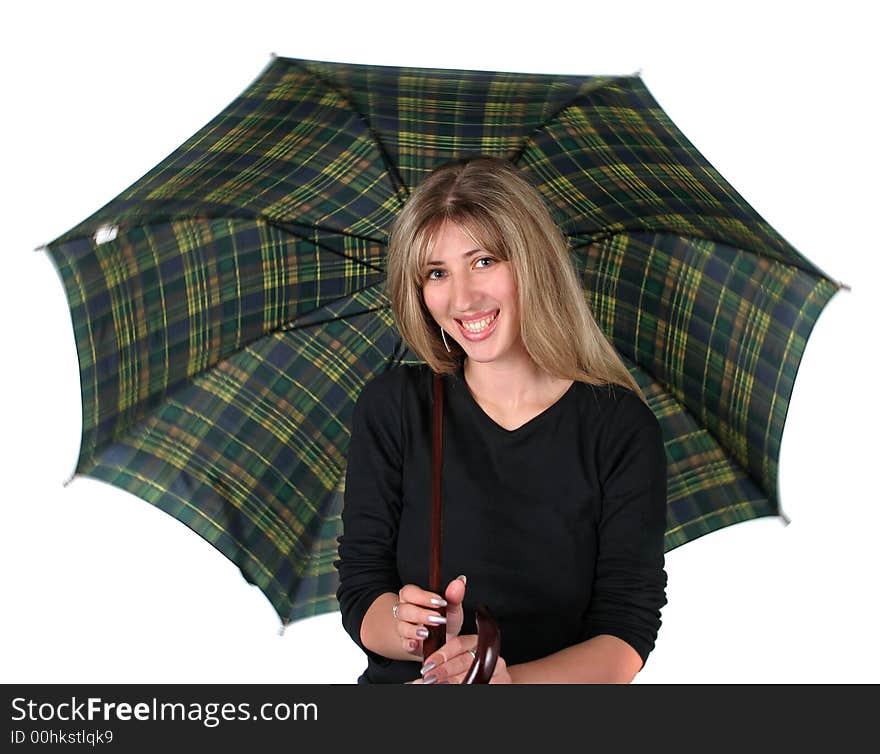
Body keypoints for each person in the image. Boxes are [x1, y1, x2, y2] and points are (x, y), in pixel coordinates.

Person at [334, 156, 668, 684]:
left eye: (484, 261)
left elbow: (625, 633)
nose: (463, 298)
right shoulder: (395, 407)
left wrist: (504, 684)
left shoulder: (619, 430)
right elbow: (360, 591)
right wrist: (410, 625)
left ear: (532, 263)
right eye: (437, 273)